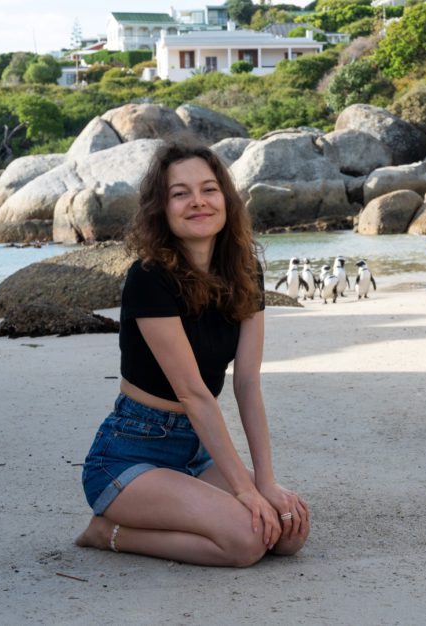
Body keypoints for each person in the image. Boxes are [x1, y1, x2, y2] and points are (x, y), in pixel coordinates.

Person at [75, 140, 309, 566]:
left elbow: (247, 382)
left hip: (195, 451)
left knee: (290, 530)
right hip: (129, 456)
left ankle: (215, 505)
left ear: (226, 198)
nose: (198, 202)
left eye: (209, 189)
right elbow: (194, 394)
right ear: (161, 209)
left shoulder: (244, 270)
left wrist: (267, 483)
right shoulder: (149, 278)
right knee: (246, 542)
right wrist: (243, 490)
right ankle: (106, 531)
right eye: (180, 193)